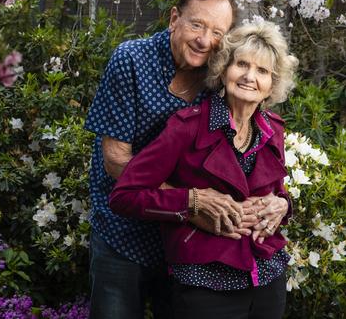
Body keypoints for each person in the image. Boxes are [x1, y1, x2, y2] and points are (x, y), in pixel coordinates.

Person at [109, 20, 298, 319]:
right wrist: (191, 201)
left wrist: (282, 204)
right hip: (205, 281)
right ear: (224, 70)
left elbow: (277, 193)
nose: (250, 77)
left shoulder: (272, 129)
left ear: (272, 85)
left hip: (266, 278)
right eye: (242, 65)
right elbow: (125, 195)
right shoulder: (187, 127)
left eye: (262, 71)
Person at [84, 0, 245, 318]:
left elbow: (248, 143)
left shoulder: (218, 80)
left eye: (218, 32)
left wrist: (277, 200)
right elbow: (115, 160)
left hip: (184, 239)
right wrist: (190, 202)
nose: (205, 41)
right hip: (122, 230)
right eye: (197, 25)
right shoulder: (131, 60)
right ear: (175, 18)